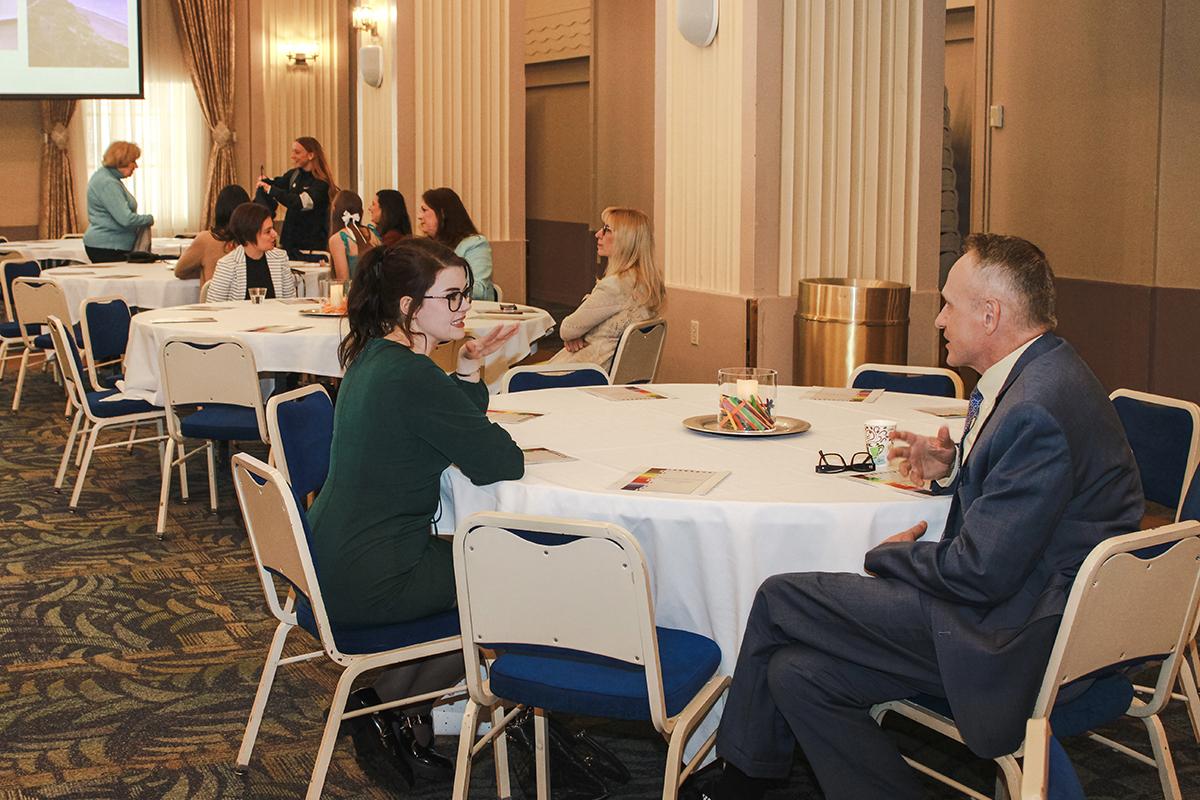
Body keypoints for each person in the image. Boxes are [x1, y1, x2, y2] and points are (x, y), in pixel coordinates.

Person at [691, 234, 1143, 800]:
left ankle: (741, 783)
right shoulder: (1048, 374)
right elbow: (1027, 496)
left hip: (1014, 639)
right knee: (797, 675)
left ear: (991, 313)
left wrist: (891, 556)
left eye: (950, 304)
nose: (937, 320)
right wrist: (953, 467)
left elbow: (979, 573)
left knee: (781, 598)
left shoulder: (1036, 409)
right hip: (1032, 612)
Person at [307, 239, 523, 785]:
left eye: (465, 295)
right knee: (512, 577)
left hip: (329, 560)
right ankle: (397, 706)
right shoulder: (411, 374)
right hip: (374, 576)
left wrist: (469, 369)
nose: (464, 308)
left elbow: (447, 422)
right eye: (451, 297)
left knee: (477, 563)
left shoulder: (372, 358)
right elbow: (500, 461)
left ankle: (391, 708)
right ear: (408, 307)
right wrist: (466, 389)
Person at [546, 207, 665, 373]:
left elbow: (567, 329)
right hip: (607, 373)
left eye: (607, 229)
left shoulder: (615, 285)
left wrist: (579, 332)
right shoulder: (646, 284)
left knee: (510, 382)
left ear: (626, 239)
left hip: (587, 373)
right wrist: (579, 331)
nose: (598, 234)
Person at [255, 137, 337, 258]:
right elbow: (279, 183)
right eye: (293, 152)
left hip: (311, 249)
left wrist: (271, 190)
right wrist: (266, 182)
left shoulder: (321, 183)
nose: (293, 156)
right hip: (290, 245)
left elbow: (300, 202)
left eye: (297, 152)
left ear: (311, 155)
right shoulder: (294, 175)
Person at [205, 203, 296, 302]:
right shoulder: (228, 264)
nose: (275, 234)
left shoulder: (280, 258)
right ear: (249, 236)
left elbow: (290, 302)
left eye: (272, 229)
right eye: (268, 231)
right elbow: (213, 307)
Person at [82, 141, 154, 263]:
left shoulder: (105, 176)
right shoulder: (108, 182)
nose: (135, 166)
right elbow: (126, 219)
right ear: (123, 161)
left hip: (106, 245)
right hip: (109, 246)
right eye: (133, 161)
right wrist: (149, 219)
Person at [418, 187, 494, 300]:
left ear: (442, 213)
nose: (420, 216)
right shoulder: (424, 246)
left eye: (424, 210)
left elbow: (478, 290)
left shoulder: (474, 244)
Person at [173, 184, 250, 286]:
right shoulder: (253, 239)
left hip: (216, 299)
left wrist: (204, 269)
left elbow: (180, 271)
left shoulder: (206, 239)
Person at [327, 190, 379, 280]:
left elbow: (344, 281)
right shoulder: (373, 233)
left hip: (357, 293)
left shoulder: (339, 239)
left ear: (334, 210)